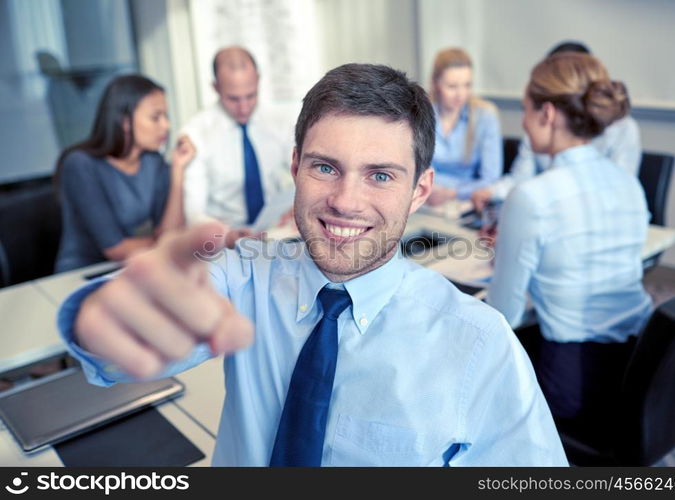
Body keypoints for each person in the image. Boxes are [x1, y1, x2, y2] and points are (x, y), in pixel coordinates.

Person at [58, 63, 567, 467]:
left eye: (381, 176)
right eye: (325, 167)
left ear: (421, 191)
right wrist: (104, 320)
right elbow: (133, 333)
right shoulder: (243, 276)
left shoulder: (480, 344)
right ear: (296, 166)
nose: (345, 201)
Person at [486, 52, 653, 440]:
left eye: (526, 111)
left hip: (571, 385)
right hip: (636, 368)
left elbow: (502, 317)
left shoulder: (533, 198)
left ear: (546, 113)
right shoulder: (629, 182)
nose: (524, 124)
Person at [472, 41, 641, 211]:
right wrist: (492, 192)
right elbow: (521, 178)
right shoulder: (538, 124)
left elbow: (615, 196)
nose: (524, 122)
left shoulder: (623, 131)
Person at [54, 74, 195, 272]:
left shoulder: (153, 161)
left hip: (132, 269)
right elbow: (116, 249)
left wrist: (178, 171)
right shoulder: (80, 165)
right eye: (156, 117)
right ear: (124, 121)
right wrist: (165, 242)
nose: (166, 126)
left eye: (166, 116)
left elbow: (173, 233)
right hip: (82, 275)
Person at [181, 46, 291, 234]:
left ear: (258, 80)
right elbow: (193, 214)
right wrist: (225, 234)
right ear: (215, 87)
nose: (244, 107)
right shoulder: (196, 134)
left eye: (251, 96)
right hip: (223, 241)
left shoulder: (280, 123)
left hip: (274, 233)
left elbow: (305, 175)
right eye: (233, 99)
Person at [425, 48, 502, 205]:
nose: (461, 94)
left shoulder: (485, 116)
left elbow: (491, 178)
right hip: (426, 198)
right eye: (452, 86)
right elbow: (417, 170)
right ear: (435, 83)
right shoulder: (421, 114)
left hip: (466, 201)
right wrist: (430, 191)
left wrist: (453, 193)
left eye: (467, 85)